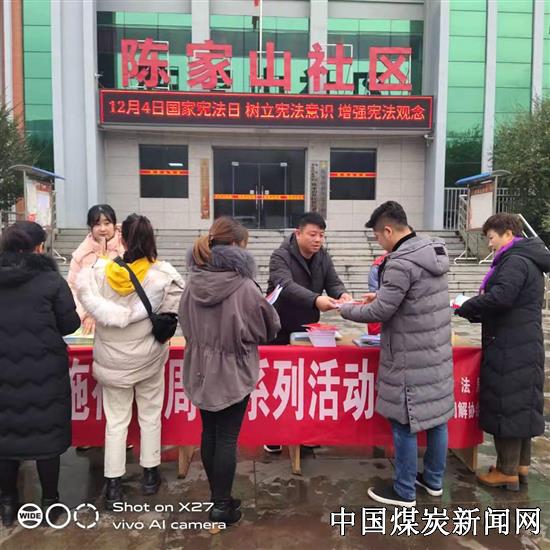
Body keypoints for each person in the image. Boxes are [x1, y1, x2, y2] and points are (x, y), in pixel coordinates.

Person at [338, 201, 453, 508]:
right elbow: (415, 296)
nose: (379, 242)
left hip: (407, 356)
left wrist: (345, 309)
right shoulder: (432, 251)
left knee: (404, 422)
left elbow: (381, 312)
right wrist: (381, 294)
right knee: (437, 419)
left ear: (388, 231)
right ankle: (433, 481)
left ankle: (404, 491)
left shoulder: (400, 261)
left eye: (378, 236)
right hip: (435, 352)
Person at [77, 214, 184, 510]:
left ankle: (113, 484)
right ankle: (150, 475)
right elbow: (174, 311)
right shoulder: (162, 274)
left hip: (111, 362)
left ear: (122, 239)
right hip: (149, 359)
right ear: (152, 239)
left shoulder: (100, 272)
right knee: (150, 415)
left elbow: (84, 297)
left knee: (115, 421)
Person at [179, 216, 280, 525]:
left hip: (199, 368)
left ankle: (217, 498)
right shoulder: (245, 286)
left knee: (209, 433)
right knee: (226, 437)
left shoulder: (193, 282)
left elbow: (184, 320)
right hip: (233, 370)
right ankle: (221, 505)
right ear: (236, 246)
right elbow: (267, 328)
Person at [455, 213, 550, 490]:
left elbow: (501, 298)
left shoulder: (514, 261)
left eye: (491, 237)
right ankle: (520, 466)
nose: (490, 244)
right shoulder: (529, 259)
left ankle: (506, 471)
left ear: (508, 233)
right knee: (521, 405)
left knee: (506, 405)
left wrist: (467, 306)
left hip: (510, 345)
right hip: (523, 342)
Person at [0, 222, 80, 527]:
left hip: (3, 375)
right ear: (36, 247)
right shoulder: (51, 281)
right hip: (45, 373)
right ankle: (49, 504)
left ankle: (8, 505)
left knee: (5, 441)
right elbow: (69, 324)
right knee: (47, 440)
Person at [264, 211, 351, 453]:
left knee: (308, 382)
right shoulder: (280, 256)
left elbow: (333, 281)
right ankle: (273, 433)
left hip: (307, 329)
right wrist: (315, 300)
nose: (318, 240)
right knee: (278, 382)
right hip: (278, 328)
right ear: (298, 233)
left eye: (321, 235)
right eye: (313, 234)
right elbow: (286, 286)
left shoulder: (322, 256)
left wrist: (342, 294)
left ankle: (305, 433)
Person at [67, 204, 124, 336]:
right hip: (89, 323)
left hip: (121, 319)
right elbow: (73, 289)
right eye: (97, 224)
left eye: (107, 223)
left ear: (114, 225)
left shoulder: (126, 249)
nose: (103, 229)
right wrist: (87, 314)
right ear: (90, 227)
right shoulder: (81, 254)